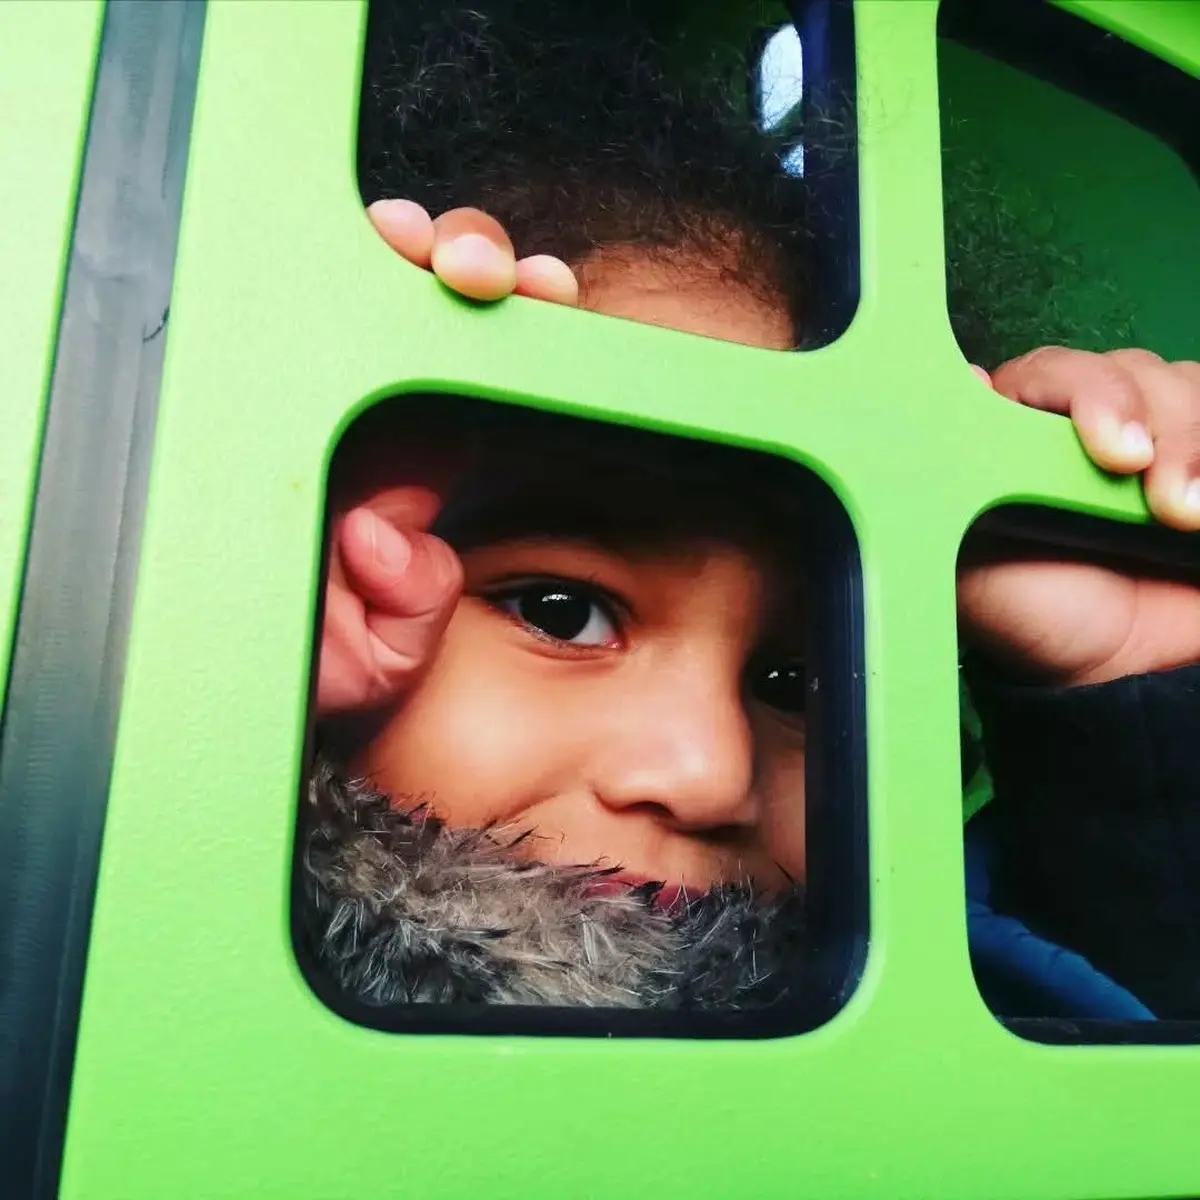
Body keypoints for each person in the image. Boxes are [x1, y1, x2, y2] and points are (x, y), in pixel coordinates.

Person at [298, 0, 1200, 1019]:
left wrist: (1135, 701)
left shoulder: (954, 992)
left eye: (793, 681)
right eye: (559, 610)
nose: (709, 775)